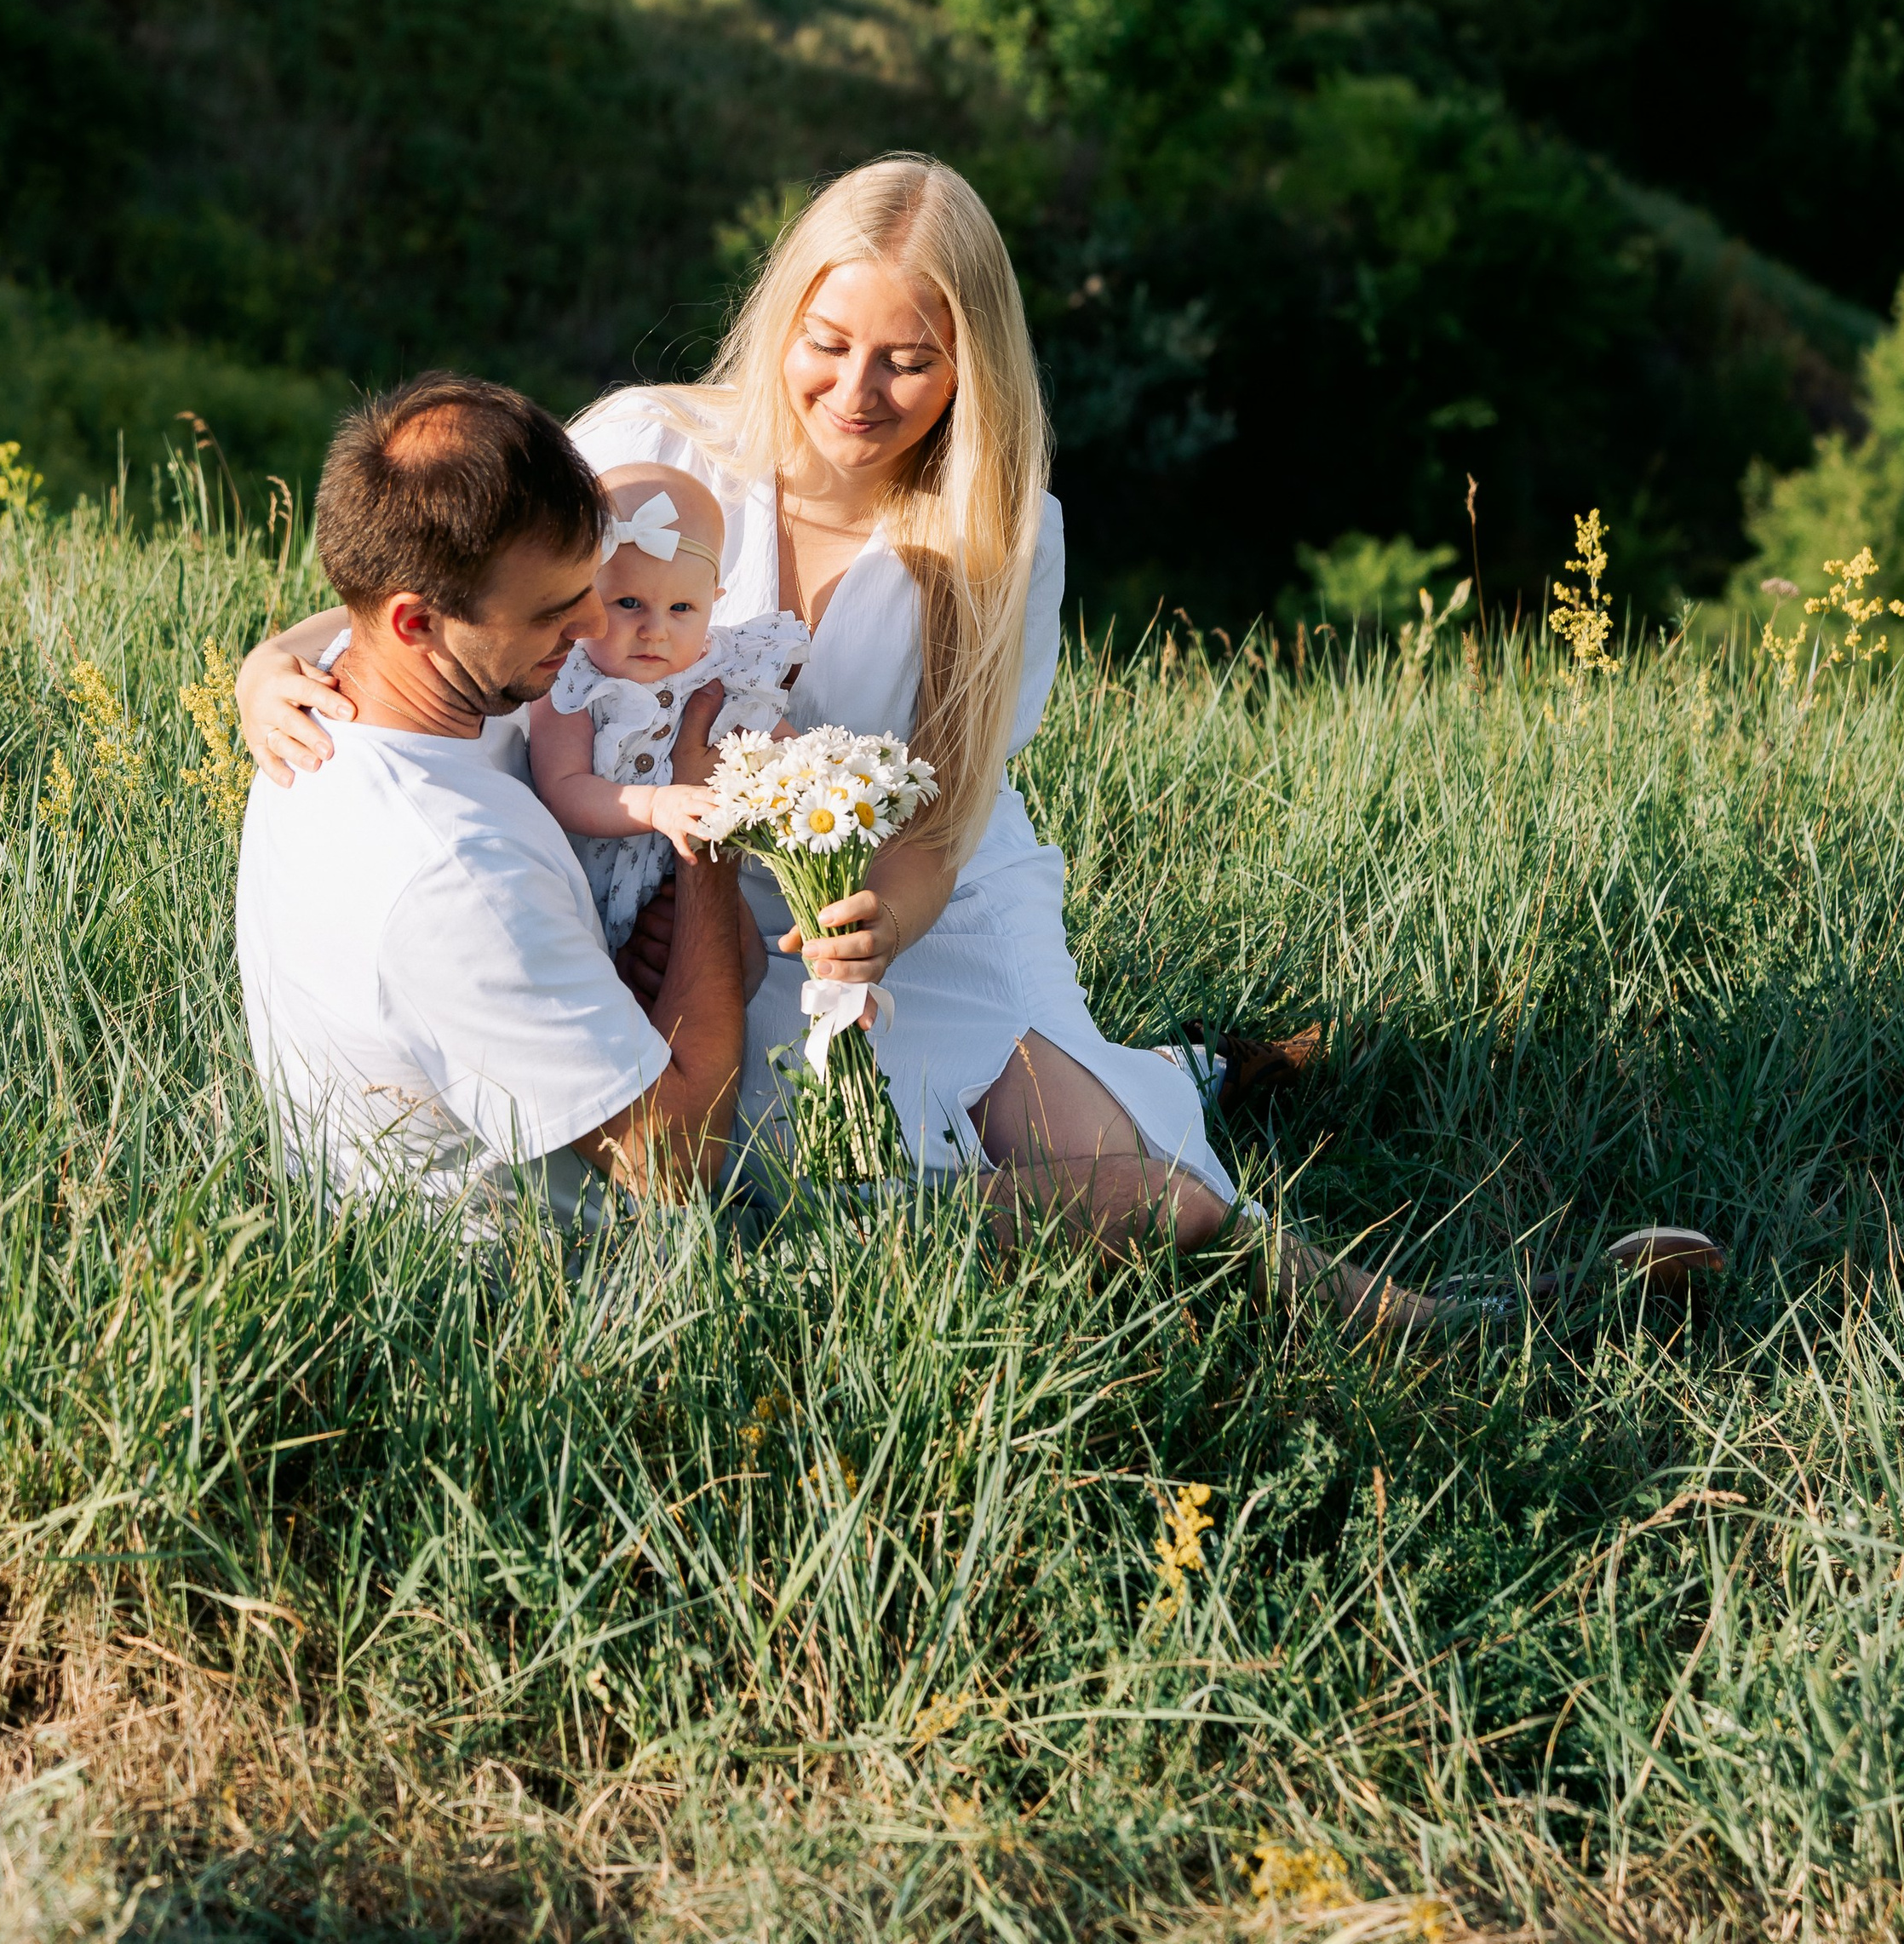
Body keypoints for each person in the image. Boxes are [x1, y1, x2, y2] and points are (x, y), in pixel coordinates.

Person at [240, 163, 1720, 1328]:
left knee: (1067, 1122)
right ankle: (1248, 1122)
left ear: (971, 364)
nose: (856, 393)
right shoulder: (651, 443)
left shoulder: (998, 534)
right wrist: (269, 660)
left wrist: (888, 919)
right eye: (828, 343)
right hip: (675, 886)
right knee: (989, 1175)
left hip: (894, 898)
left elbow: (946, 809)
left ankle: (1417, 1310)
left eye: (911, 358)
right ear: (783, 321)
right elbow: (467, 588)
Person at [233, 372, 754, 1235]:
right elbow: (677, 1161)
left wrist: (260, 657)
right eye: (554, 609)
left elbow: (348, 612)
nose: (593, 627)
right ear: (416, 622)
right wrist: (709, 840)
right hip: (537, 1281)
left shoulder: (330, 683)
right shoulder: (452, 866)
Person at [528, 461, 809, 957]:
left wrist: (809, 780)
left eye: (682, 609)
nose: (655, 630)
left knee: (726, 968)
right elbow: (563, 789)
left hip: (692, 895)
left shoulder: (727, 668)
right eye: (629, 603)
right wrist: (656, 806)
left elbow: (776, 745)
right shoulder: (572, 681)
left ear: (712, 602)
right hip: (589, 892)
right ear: (582, 599)